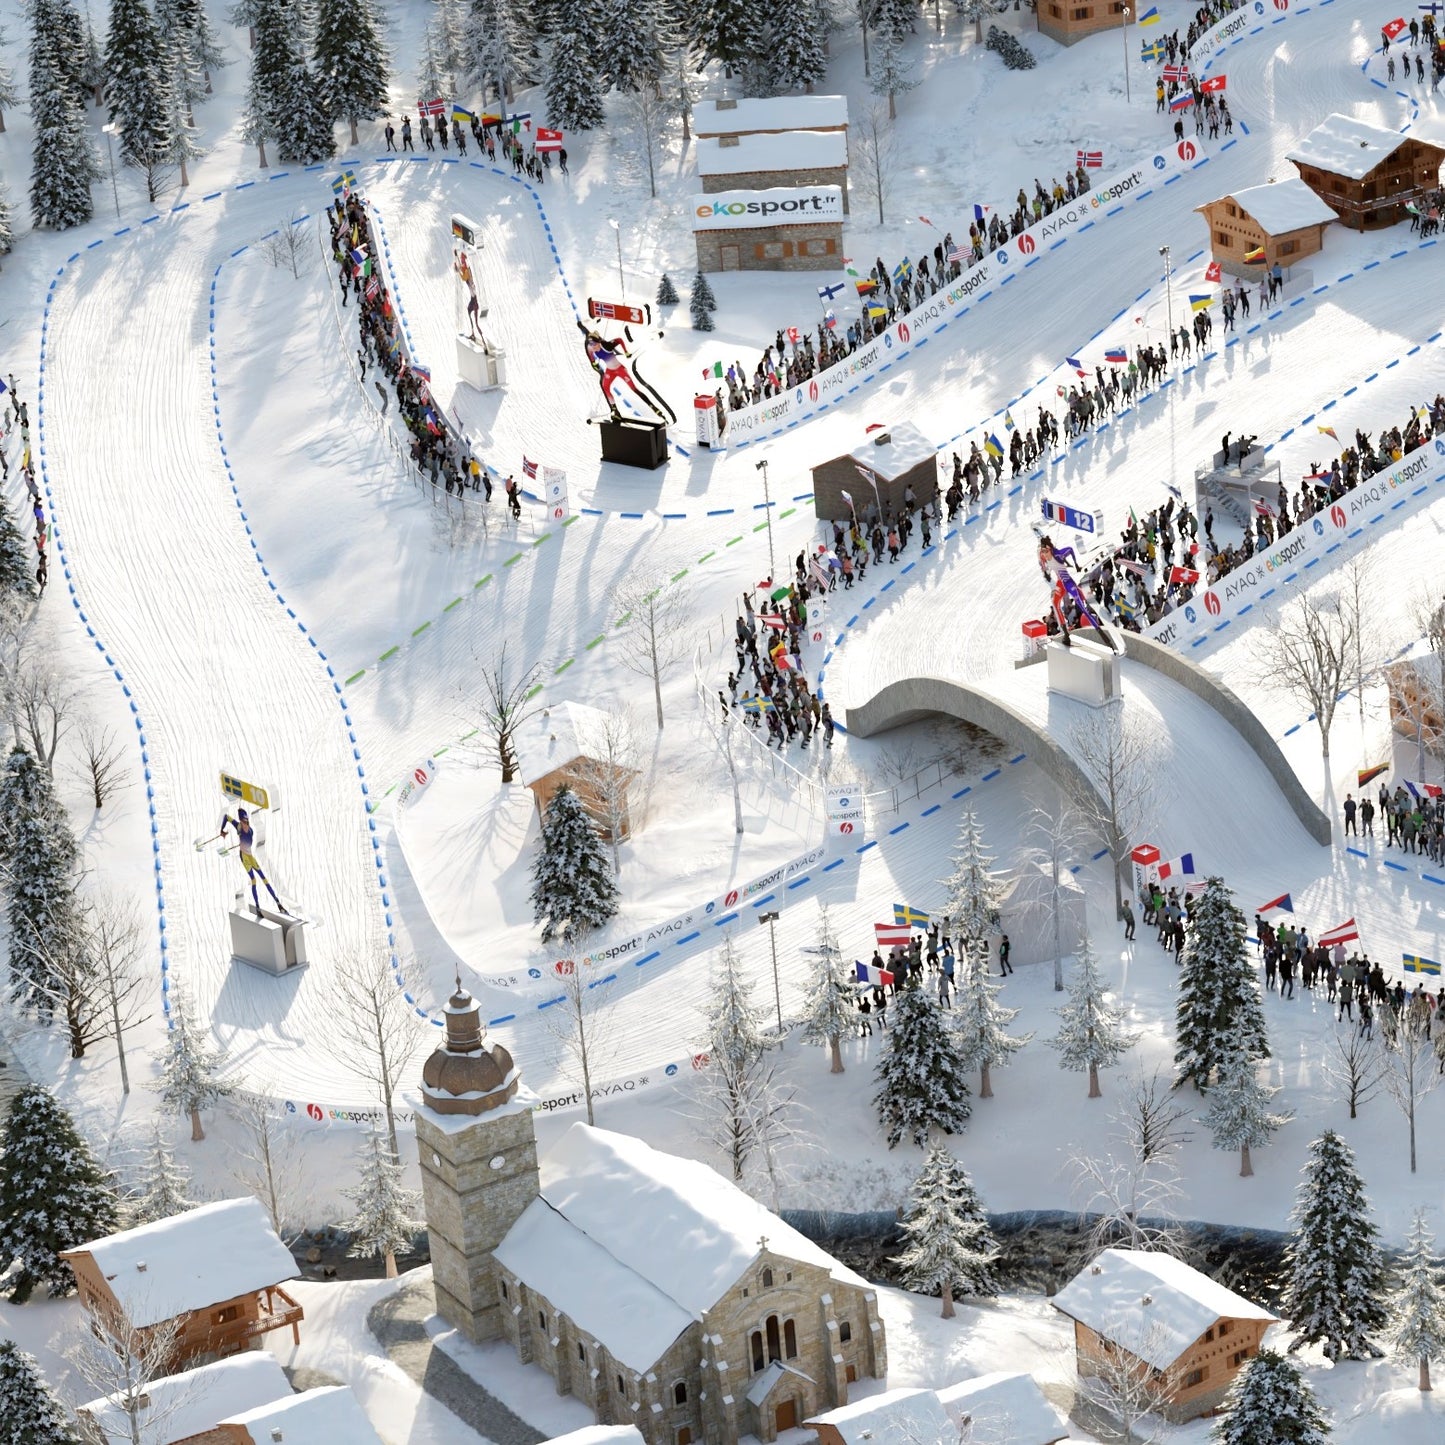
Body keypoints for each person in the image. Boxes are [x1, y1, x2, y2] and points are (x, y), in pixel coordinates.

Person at [219, 807, 286, 916]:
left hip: (250, 856)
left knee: (264, 879)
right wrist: (222, 830)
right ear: (241, 821)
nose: (246, 824)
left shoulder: (250, 830)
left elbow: (247, 841)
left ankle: (278, 903)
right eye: (244, 821)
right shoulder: (239, 827)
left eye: (246, 821)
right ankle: (258, 907)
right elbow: (226, 817)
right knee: (254, 880)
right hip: (245, 857)